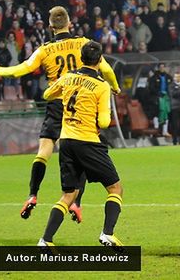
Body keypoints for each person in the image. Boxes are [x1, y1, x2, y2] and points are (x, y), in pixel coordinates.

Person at [0, 6, 120, 221]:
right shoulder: (83, 43)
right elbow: (106, 70)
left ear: (51, 27)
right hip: (81, 105)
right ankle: (76, 202)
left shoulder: (45, 49)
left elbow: (21, 69)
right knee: (83, 150)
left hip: (56, 102)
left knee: (43, 152)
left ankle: (32, 194)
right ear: (70, 24)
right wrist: (115, 86)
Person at [37, 41, 123, 248]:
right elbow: (103, 122)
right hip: (88, 141)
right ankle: (107, 234)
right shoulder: (102, 85)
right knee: (115, 188)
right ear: (100, 60)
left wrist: (64, 91)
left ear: (81, 58)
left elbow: (47, 94)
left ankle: (45, 240)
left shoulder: (67, 77)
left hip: (66, 141)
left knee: (69, 194)